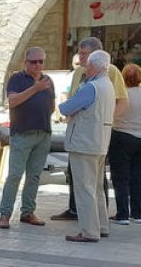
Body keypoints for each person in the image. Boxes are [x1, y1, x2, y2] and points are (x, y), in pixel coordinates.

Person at [52, 37, 127, 221]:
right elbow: (72, 101)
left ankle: (91, 224)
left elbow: (121, 102)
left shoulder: (108, 74)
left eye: (84, 54)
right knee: (77, 177)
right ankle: (78, 211)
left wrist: (104, 122)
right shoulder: (80, 73)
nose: (80, 57)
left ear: (95, 57)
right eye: (79, 53)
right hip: (82, 133)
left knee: (93, 182)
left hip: (92, 135)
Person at [58, 50, 115, 242]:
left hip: (85, 143)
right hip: (100, 142)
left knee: (85, 188)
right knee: (97, 187)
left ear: (94, 66)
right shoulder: (108, 85)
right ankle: (102, 226)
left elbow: (66, 108)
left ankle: (89, 231)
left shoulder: (91, 87)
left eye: (88, 64)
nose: (85, 68)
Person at [0, 47, 54, 230]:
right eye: (34, 62)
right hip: (22, 134)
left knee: (35, 176)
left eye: (41, 61)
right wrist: (35, 89)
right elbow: (12, 102)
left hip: (43, 133)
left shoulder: (48, 80)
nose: (38, 65)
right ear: (25, 62)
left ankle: (28, 211)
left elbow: (51, 106)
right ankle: (5, 214)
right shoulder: (17, 79)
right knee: (14, 175)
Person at [108, 64, 141, 224]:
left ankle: (122, 214)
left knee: (120, 176)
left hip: (123, 135)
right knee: (139, 176)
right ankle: (138, 214)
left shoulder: (122, 93)